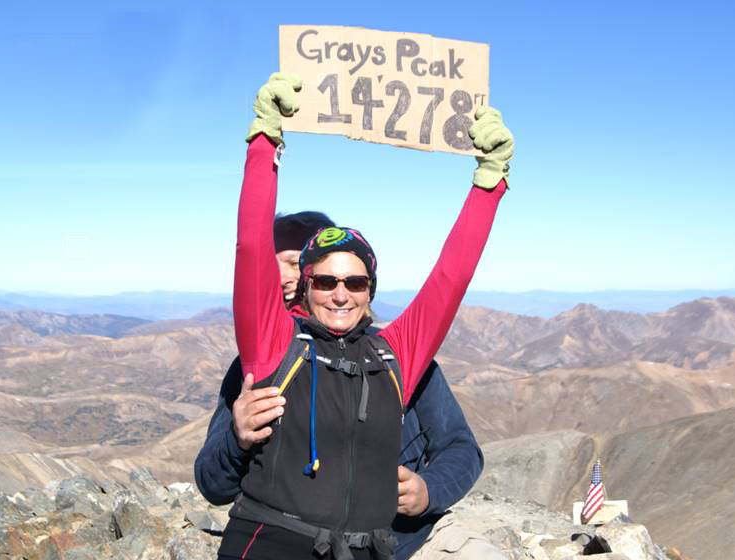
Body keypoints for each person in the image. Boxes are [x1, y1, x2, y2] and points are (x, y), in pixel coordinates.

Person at [219, 72, 513, 560]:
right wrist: (265, 138)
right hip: (268, 544)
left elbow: (450, 279)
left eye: (355, 282)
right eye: (325, 281)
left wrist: (490, 181)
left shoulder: (394, 354)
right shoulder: (272, 342)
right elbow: (251, 245)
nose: (340, 294)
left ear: (370, 290)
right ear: (304, 286)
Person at [195, 213, 503, 559]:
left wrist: (430, 490)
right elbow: (213, 483)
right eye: (274, 264)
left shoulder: (395, 359)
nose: (283, 277)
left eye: (295, 263)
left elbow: (461, 448)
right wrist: (237, 439)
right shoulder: (257, 365)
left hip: (404, 541)